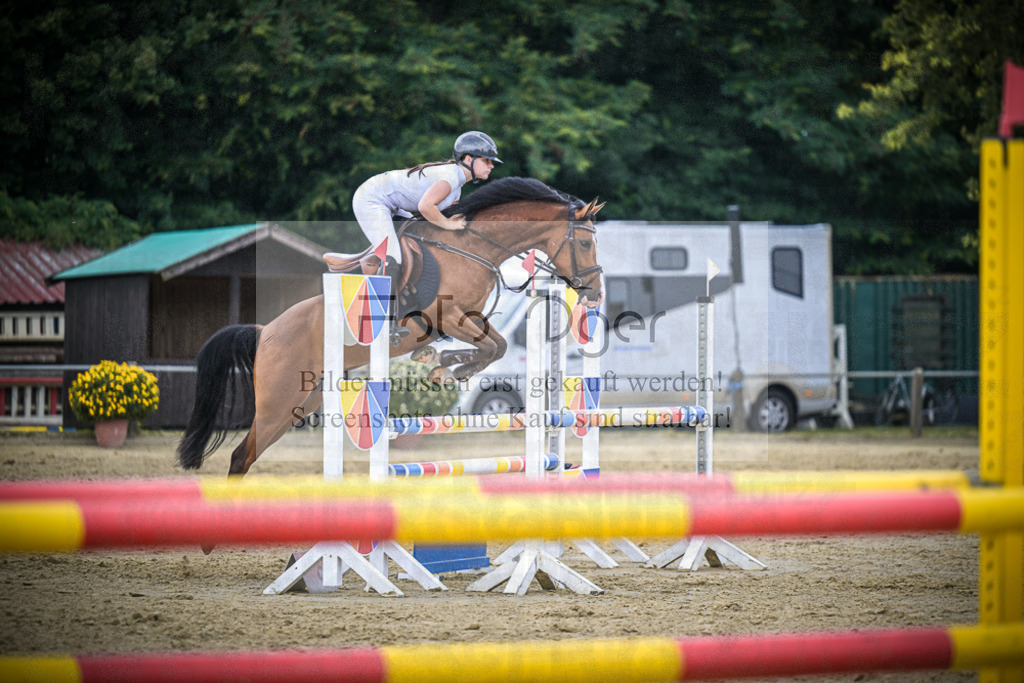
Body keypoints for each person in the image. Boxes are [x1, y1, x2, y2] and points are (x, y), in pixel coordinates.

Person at [352, 131, 502, 342]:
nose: (491, 166)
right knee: (393, 257)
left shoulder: (456, 187)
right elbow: (425, 207)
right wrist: (449, 224)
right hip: (372, 201)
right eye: (487, 160)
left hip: (392, 206)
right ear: (469, 159)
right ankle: (384, 319)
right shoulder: (449, 178)